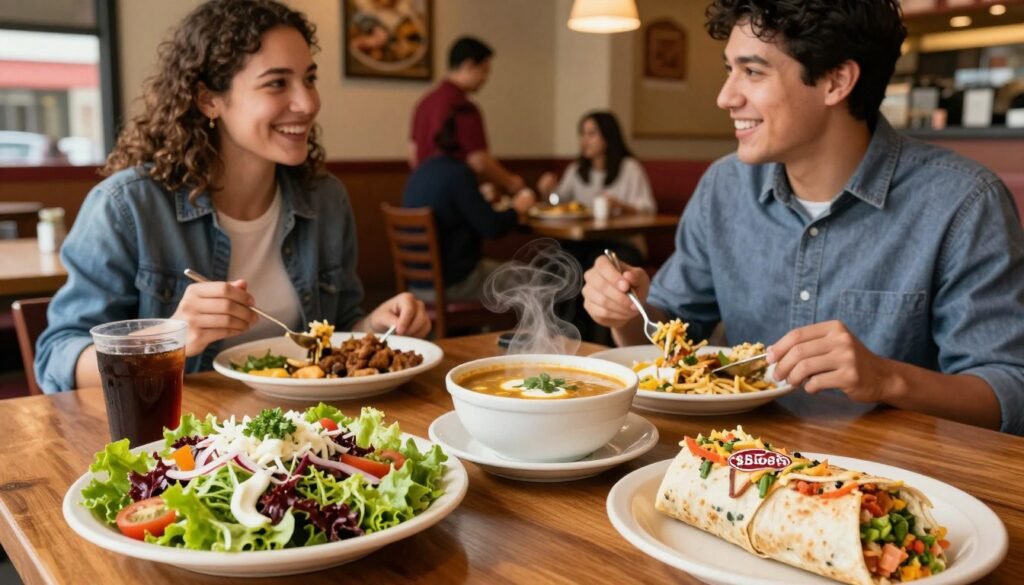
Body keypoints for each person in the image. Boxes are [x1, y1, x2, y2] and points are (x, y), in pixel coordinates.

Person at [581, 0, 1024, 434]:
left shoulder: (963, 202)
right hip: (740, 458)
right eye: (728, 69)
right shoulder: (725, 186)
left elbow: (1008, 392)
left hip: (896, 478)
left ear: (836, 81)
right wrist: (625, 311)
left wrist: (886, 378)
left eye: (752, 72)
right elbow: (672, 329)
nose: (725, 97)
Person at [35, 0, 430, 393]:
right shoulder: (125, 206)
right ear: (209, 100)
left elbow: (336, 335)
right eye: (277, 83)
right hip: (179, 442)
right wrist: (166, 341)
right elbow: (57, 358)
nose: (308, 103)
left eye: (309, 79)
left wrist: (375, 328)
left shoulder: (324, 199)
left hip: (305, 435)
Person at [402, 112, 535, 301]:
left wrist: (480, 199)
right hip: (455, 284)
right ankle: (537, 330)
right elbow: (491, 227)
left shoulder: (421, 171)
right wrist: (518, 207)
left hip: (417, 286)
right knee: (532, 278)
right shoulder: (459, 174)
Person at [409, 36, 525, 194]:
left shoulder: (424, 104)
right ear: (469, 66)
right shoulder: (462, 106)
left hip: (421, 198)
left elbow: (413, 156)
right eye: (484, 71)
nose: (485, 79)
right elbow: (478, 161)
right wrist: (511, 182)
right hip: (452, 201)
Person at [537, 111, 656, 217]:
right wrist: (548, 192)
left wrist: (620, 206)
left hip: (620, 238)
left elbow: (648, 210)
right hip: (582, 238)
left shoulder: (630, 167)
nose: (585, 140)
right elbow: (558, 204)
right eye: (582, 133)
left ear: (608, 136)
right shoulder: (576, 169)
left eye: (592, 134)